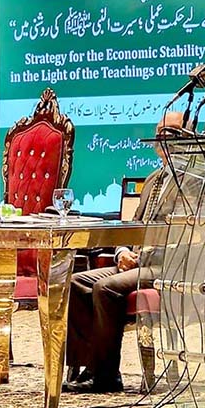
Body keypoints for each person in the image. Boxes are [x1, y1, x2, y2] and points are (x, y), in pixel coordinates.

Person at [64, 112, 185, 393]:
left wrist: (142, 257)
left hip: (166, 266)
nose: (163, 140)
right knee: (76, 282)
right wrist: (120, 252)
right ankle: (87, 366)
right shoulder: (153, 179)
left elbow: (187, 235)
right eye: (160, 133)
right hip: (136, 262)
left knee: (106, 289)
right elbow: (133, 226)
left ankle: (106, 376)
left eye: (172, 133)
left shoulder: (191, 182)